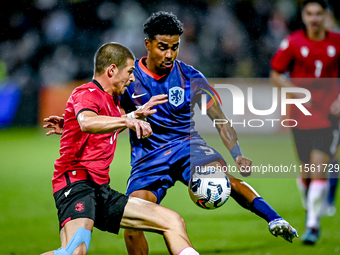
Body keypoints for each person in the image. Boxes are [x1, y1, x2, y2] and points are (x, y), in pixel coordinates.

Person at [44, 12, 298, 255]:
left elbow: (220, 119)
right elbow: (103, 112)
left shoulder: (191, 77)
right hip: (148, 157)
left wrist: (238, 154)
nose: (169, 54)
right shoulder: (129, 78)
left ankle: (273, 218)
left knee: (221, 180)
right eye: (163, 46)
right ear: (148, 44)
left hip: (186, 147)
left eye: (174, 47)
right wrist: (70, 125)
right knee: (132, 227)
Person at [41, 42, 200, 255]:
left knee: (172, 220)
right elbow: (88, 122)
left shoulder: (114, 102)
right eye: (130, 72)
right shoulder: (86, 92)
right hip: (76, 183)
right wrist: (127, 122)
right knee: (74, 252)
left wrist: (136, 115)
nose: (133, 78)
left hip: (101, 190)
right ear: (112, 70)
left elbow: (105, 121)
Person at [270, 0, 340, 245]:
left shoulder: (337, 42)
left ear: (325, 15)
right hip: (301, 116)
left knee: (320, 166)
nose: (314, 18)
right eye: (309, 13)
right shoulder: (294, 42)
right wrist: (296, 91)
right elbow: (275, 74)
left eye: (318, 13)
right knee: (306, 172)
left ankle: (313, 224)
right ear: (303, 15)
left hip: (329, 117)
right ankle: (312, 203)